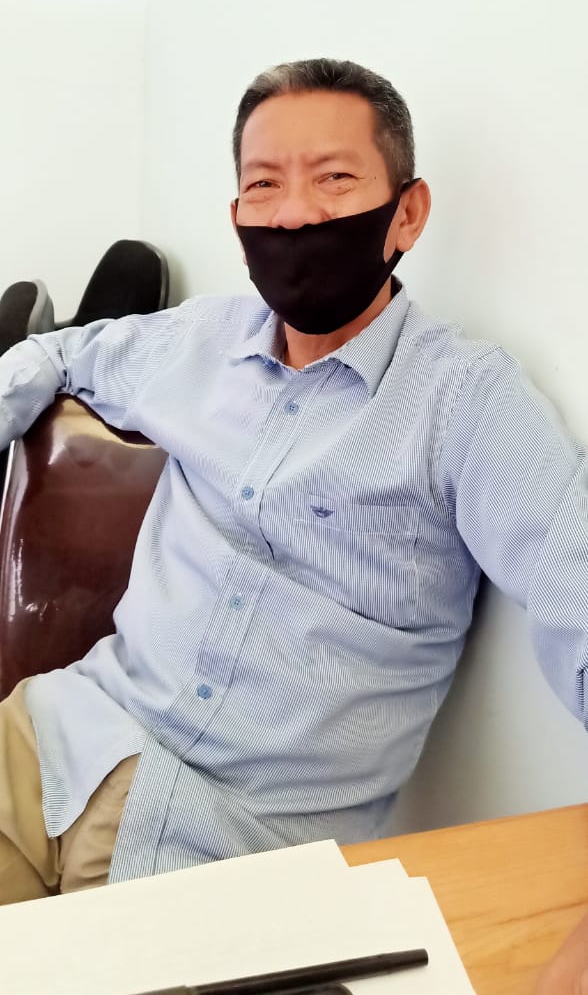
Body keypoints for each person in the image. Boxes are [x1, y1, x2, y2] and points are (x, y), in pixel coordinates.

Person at [0, 61, 586, 963]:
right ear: (237, 220)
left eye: (335, 178)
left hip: (223, 855)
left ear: (408, 213)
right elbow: (59, 353)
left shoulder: (467, 403)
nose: (296, 215)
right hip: (51, 743)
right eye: (264, 185)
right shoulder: (199, 340)